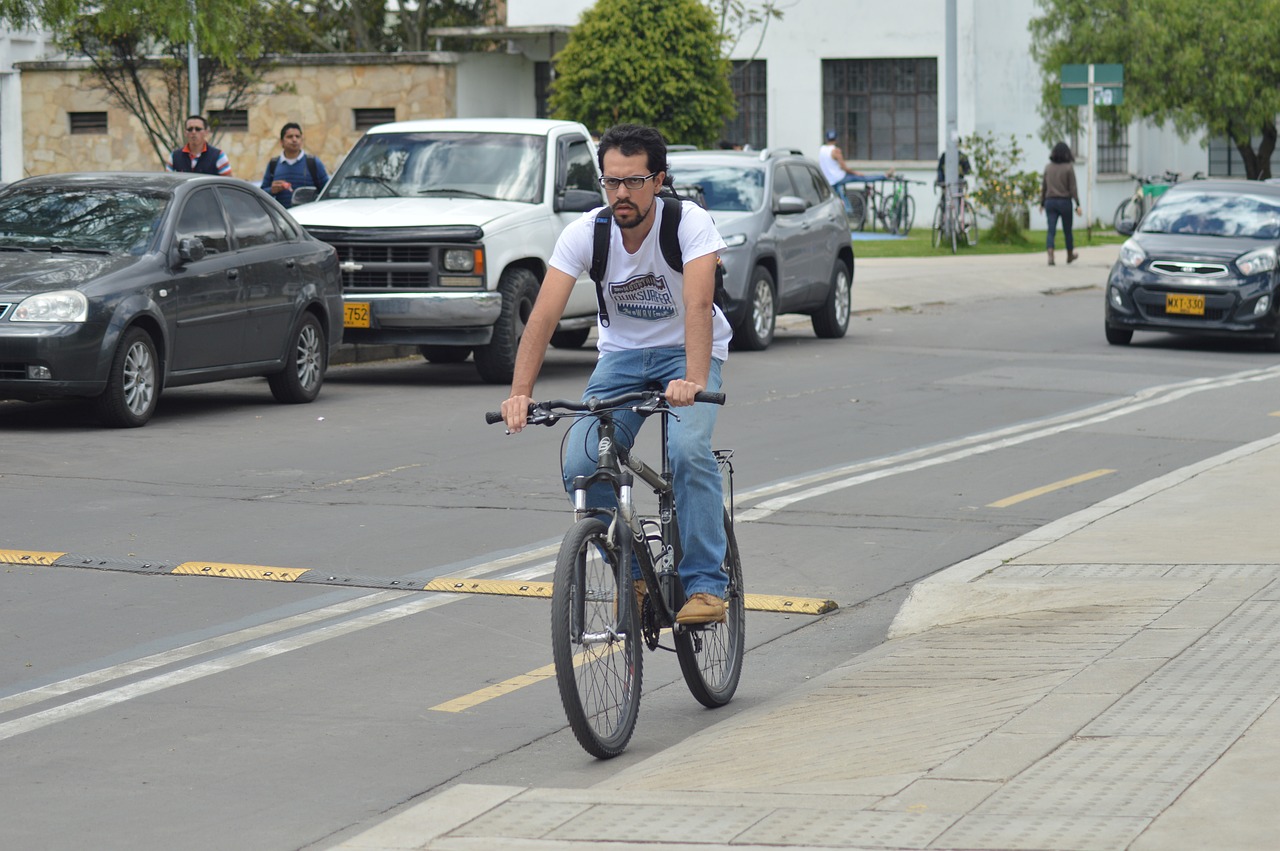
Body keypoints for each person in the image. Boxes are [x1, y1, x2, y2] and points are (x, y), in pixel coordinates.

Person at [499, 123, 732, 625]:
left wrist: (692, 380)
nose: (621, 193)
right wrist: (520, 393)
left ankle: (708, 586)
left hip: (688, 353)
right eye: (611, 182)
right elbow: (542, 316)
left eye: (634, 181)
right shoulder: (588, 232)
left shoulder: (688, 223)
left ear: (659, 180)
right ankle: (637, 580)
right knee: (582, 462)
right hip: (622, 359)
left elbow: (698, 304)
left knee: (690, 452)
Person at [819, 129, 892, 213]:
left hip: (829, 180)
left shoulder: (822, 149)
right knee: (864, 178)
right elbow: (844, 167)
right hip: (839, 177)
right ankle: (883, 176)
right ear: (836, 139)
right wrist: (856, 173)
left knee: (838, 197)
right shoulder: (836, 151)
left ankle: (847, 209)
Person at [260, 122, 330, 208]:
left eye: (297, 136)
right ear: (281, 142)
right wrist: (272, 190)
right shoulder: (273, 164)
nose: (294, 140)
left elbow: (327, 191)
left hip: (307, 217)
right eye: (290, 137)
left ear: (301, 140)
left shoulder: (313, 163)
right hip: (282, 218)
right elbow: (261, 193)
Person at [1040, 141, 1082, 265]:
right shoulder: (1069, 167)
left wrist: (1042, 203)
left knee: (1051, 230)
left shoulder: (1048, 167)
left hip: (1050, 202)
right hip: (1065, 202)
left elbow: (1044, 186)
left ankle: (1050, 256)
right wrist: (1078, 204)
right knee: (1067, 230)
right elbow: (1073, 188)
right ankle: (1069, 255)